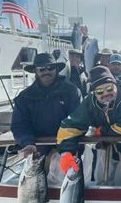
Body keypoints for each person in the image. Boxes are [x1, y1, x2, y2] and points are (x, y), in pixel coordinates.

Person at [57, 66, 121, 186]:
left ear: (115, 85)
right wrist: (66, 152)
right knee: (100, 182)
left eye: (109, 88)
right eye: (100, 91)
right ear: (94, 93)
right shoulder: (90, 102)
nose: (106, 93)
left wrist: (101, 132)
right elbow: (69, 126)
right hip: (104, 148)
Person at [11, 53, 81, 182]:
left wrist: (64, 147)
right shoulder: (24, 97)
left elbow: (77, 122)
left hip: (67, 146)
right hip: (37, 149)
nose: (46, 72)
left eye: (50, 68)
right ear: (35, 71)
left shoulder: (71, 91)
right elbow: (19, 125)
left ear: (56, 69)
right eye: (41, 69)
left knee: (69, 179)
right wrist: (28, 143)